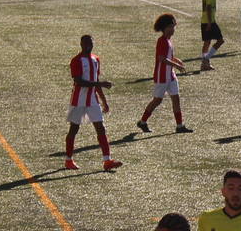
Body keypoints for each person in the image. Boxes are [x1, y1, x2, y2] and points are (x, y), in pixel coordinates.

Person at [65, 35, 123, 172]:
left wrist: (104, 101)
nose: (88, 45)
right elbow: (79, 81)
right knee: (74, 129)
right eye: (85, 43)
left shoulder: (96, 59)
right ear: (81, 44)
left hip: (92, 100)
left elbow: (95, 81)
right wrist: (100, 84)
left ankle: (107, 160)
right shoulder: (76, 60)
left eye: (90, 43)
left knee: (101, 128)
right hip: (78, 100)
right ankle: (68, 160)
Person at [137, 13, 192, 134]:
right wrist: (176, 65)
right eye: (170, 27)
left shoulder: (169, 41)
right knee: (157, 100)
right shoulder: (161, 41)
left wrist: (176, 60)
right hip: (161, 77)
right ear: (164, 28)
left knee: (176, 99)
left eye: (173, 27)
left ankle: (179, 126)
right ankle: (142, 122)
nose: (173, 29)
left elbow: (168, 56)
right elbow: (161, 58)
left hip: (171, 76)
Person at [199, 0, 224, 71]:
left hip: (204, 20)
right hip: (209, 21)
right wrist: (210, 22)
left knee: (207, 42)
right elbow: (208, 7)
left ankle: (204, 64)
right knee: (220, 40)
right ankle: (206, 59)